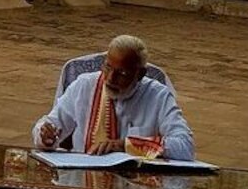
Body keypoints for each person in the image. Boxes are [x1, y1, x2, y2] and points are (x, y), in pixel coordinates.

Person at [32, 34, 195, 160]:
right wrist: (45, 136)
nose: (110, 78)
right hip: (84, 184)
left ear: (140, 74)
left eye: (122, 73)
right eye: (108, 67)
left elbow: (185, 147)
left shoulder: (158, 95)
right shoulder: (84, 85)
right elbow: (49, 125)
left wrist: (126, 146)